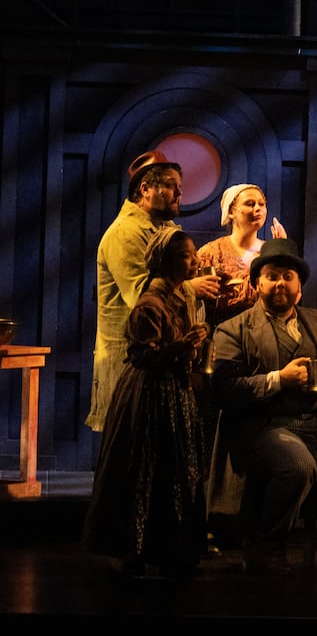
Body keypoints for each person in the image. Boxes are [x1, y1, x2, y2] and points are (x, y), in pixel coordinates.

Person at [212, 238, 317, 574]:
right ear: (257, 283)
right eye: (272, 276)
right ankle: (266, 546)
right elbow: (224, 391)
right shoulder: (233, 329)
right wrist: (279, 379)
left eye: (288, 276)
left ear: (299, 285)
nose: (280, 283)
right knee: (296, 464)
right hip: (266, 427)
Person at [82, 226, 210, 578]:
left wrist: (193, 344)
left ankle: (172, 550)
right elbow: (142, 356)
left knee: (175, 472)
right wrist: (183, 345)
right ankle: (135, 549)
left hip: (175, 391)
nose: (195, 262)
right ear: (165, 261)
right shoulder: (150, 304)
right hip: (151, 394)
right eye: (186, 256)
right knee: (145, 470)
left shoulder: (180, 296)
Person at [90, 151, 220, 432]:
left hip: (163, 360)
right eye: (172, 186)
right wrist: (191, 286)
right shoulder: (126, 233)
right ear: (145, 189)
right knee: (131, 447)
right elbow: (140, 295)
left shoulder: (165, 229)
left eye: (180, 188)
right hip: (133, 359)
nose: (178, 195)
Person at [196, 183, 288, 324]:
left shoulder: (270, 252)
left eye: (261, 204)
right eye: (250, 204)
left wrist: (282, 253)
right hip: (223, 334)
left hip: (265, 333)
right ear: (231, 212)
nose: (257, 208)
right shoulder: (211, 253)